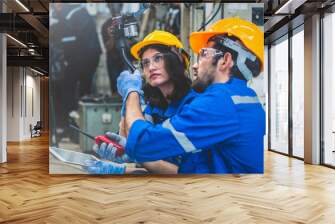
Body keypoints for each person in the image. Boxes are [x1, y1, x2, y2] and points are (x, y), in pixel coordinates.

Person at [112, 18, 265, 173]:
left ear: (225, 60)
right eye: (145, 63)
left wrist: (131, 92)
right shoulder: (243, 97)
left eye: (204, 54)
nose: (195, 64)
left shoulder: (220, 102)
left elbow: (143, 143)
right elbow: (192, 168)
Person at [86, 30, 211, 174]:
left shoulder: (194, 105)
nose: (151, 67)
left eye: (158, 58)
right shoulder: (154, 108)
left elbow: (185, 173)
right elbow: (129, 137)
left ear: (177, 59)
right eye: (145, 63)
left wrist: (130, 162)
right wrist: (122, 152)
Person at [50, 4, 101, 144]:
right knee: (80, 90)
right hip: (87, 56)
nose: (55, 6)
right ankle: (75, 126)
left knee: (70, 90)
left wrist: (66, 59)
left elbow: (69, 39)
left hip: (83, 57)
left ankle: (72, 127)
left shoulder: (71, 13)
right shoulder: (74, 12)